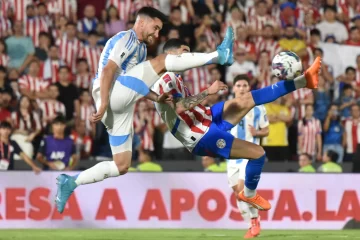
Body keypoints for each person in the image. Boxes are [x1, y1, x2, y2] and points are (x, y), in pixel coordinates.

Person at [55, 7, 235, 213]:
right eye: (155, 27)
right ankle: (219, 56)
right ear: (141, 22)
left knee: (121, 165)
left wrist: (156, 97)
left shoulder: (140, 50)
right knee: (161, 61)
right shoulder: (128, 38)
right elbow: (108, 70)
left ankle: (71, 182)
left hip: (118, 107)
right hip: (110, 95)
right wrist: (104, 102)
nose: (157, 34)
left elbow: (136, 84)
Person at [151, 39, 320, 211]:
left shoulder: (175, 77)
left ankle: (304, 81)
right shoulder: (165, 79)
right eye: (185, 52)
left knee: (248, 98)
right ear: (170, 55)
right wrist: (207, 92)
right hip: (201, 136)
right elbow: (178, 108)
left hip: (207, 116)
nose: (190, 56)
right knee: (258, 153)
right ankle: (249, 194)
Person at [227, 74, 269, 238]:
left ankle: (254, 222)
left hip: (249, 154)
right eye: (239, 85)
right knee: (237, 194)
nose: (242, 88)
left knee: (241, 189)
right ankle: (253, 221)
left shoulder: (258, 107)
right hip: (231, 156)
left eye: (245, 85)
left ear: (249, 88)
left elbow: (266, 130)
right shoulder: (227, 107)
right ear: (234, 88)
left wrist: (257, 132)